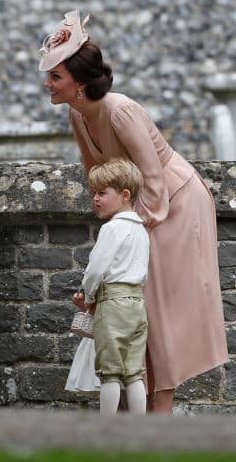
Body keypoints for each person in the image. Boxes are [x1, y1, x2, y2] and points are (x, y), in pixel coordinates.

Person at [40, 9, 228, 414]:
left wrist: (130, 227)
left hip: (175, 201)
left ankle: (158, 410)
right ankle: (132, 403)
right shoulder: (77, 113)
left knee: (158, 305)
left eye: (55, 76)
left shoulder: (120, 110)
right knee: (129, 298)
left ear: (80, 82)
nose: (48, 83)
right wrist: (114, 223)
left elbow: (154, 178)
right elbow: (97, 174)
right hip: (138, 206)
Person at [70, 158, 150, 415]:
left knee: (110, 372)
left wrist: (88, 296)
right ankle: (140, 429)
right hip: (137, 304)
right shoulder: (141, 230)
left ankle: (107, 428)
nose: (95, 198)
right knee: (134, 372)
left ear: (125, 195)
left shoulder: (112, 228)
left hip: (112, 303)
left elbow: (96, 269)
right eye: (94, 193)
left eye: (102, 193)